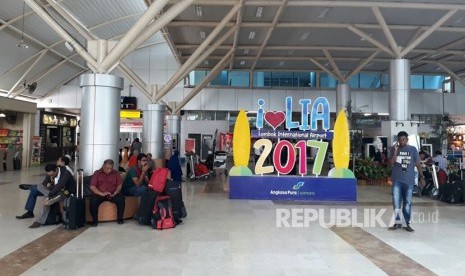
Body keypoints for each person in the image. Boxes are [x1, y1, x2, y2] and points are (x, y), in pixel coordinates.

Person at [388, 131, 425, 232]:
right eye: (399, 140)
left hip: (409, 180)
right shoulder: (393, 149)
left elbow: (418, 164)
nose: (401, 141)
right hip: (397, 180)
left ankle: (406, 223)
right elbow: (391, 163)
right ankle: (397, 223)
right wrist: (395, 151)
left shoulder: (413, 149)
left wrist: (422, 177)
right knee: (396, 202)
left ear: (407, 140)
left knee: (407, 203)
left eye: (403, 139)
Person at [28, 164, 76, 228]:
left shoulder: (65, 173)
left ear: (56, 170)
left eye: (52, 175)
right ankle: (49, 197)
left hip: (65, 191)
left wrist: (49, 196)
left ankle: (39, 221)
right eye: (49, 175)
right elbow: (44, 183)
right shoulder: (50, 173)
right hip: (53, 191)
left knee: (47, 202)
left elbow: (59, 185)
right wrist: (47, 184)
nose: (51, 176)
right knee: (39, 186)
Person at [89, 159, 125, 227]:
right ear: (103, 166)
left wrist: (116, 192)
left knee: (121, 199)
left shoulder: (115, 173)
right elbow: (92, 186)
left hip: (112, 194)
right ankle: (94, 221)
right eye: (107, 168)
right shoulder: (97, 173)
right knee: (93, 201)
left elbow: (119, 185)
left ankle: (120, 219)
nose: (109, 170)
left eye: (110, 168)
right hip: (100, 194)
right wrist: (101, 193)